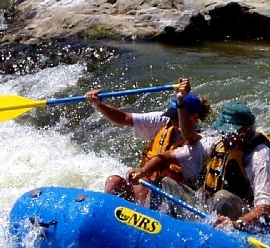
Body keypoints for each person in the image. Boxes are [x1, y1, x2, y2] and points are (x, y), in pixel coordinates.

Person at [86, 78, 211, 207]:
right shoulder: (162, 122)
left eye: (177, 117)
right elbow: (124, 118)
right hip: (145, 185)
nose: (173, 121)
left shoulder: (201, 141)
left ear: (194, 117)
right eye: (172, 116)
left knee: (145, 186)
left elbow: (169, 156)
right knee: (114, 182)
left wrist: (143, 171)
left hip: (171, 199)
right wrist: (98, 105)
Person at [199, 103, 270, 230]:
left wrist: (238, 223)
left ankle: (219, 231)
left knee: (222, 197)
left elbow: (267, 206)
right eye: (223, 131)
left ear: (246, 131)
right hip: (211, 207)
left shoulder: (261, 156)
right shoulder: (221, 141)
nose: (225, 135)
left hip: (242, 215)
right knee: (167, 183)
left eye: (230, 132)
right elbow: (191, 151)